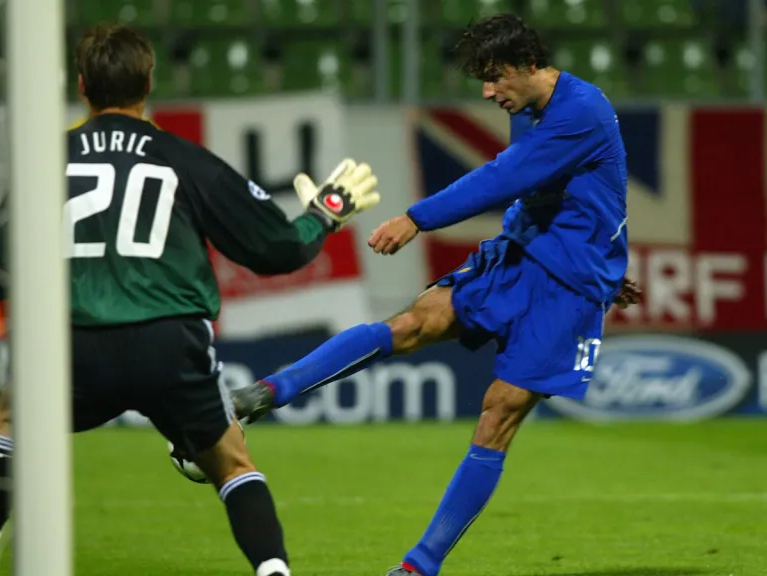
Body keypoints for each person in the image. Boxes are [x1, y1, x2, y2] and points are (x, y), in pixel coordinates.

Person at [0, 23, 380, 576]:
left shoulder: (47, 160)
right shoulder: (183, 158)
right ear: (148, 82)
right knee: (230, 462)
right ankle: (274, 571)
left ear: (81, 85)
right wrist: (326, 212)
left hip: (71, 345)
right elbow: (275, 251)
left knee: (9, 422)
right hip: (169, 341)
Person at [231, 14, 639, 576]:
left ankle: (419, 566)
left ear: (527, 66)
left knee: (498, 412)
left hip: (566, 290)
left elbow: (503, 178)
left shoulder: (581, 110)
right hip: (520, 254)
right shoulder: (531, 108)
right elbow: (566, 194)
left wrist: (416, 219)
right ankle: (263, 394)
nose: (487, 91)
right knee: (413, 322)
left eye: (496, 77)